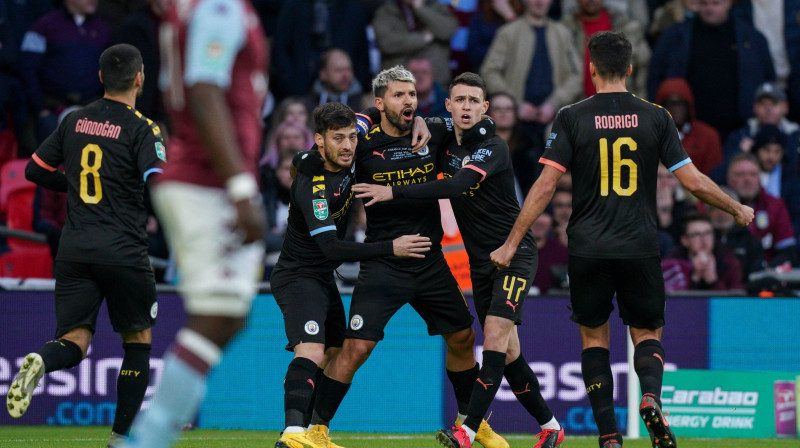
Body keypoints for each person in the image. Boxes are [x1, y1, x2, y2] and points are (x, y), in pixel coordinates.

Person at [490, 31, 753, 448]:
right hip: (640, 245)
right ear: (631, 68)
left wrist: (509, 243)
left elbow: (543, 186)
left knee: (594, 340)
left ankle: (610, 437)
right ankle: (650, 396)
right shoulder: (657, 117)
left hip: (589, 247)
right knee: (647, 334)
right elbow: (693, 182)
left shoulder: (572, 116)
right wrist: (736, 208)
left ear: (590, 69)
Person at [353, 72, 565, 448]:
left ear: (485, 109)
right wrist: (383, 119)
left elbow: (454, 186)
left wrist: (392, 192)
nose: (467, 108)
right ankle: (551, 425)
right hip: (482, 263)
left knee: (495, 337)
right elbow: (398, 111)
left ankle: (466, 429)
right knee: (510, 354)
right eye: (460, 101)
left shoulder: (492, 147)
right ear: (449, 107)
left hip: (513, 255)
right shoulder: (443, 136)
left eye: (474, 102)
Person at [305, 66, 507, 448]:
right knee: (357, 347)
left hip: (430, 262)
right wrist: (361, 122)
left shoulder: (435, 132)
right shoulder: (361, 144)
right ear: (380, 102)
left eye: (412, 94)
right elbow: (317, 159)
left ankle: (470, 423)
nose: (408, 101)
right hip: (384, 263)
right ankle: (316, 429)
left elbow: (485, 122)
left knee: (463, 337)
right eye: (399, 95)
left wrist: (431, 122)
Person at [119, 0, 269, 447]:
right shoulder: (217, 7)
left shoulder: (193, 11)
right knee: (219, 315)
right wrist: (241, 187)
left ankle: (149, 437)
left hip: (208, 175)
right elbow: (203, 87)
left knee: (229, 316)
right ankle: (148, 439)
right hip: (207, 179)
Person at [8, 43, 165, 448]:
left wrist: (76, 187)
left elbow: (34, 170)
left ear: (100, 78)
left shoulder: (73, 121)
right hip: (125, 251)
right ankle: (119, 439)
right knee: (138, 343)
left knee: (74, 341)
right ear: (139, 78)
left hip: (75, 250)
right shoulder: (143, 129)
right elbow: (157, 181)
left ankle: (42, 359)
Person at [271, 102, 432, 448]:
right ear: (319, 140)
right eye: (337, 139)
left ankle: (313, 434)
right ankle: (293, 434)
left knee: (331, 354)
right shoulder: (313, 186)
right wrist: (392, 247)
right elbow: (333, 249)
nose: (347, 146)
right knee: (311, 351)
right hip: (299, 276)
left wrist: (416, 118)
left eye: (349, 137)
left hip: (321, 277)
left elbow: (374, 115)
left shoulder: (350, 142)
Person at [725, 153, 797, 266]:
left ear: (759, 178)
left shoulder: (774, 205)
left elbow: (787, 250)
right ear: (729, 179)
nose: (747, 179)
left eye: (753, 174)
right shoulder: (718, 206)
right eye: (740, 175)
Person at [665, 211, 744, 290]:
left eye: (708, 233)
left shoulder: (729, 260)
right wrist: (695, 277)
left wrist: (713, 280)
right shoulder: (673, 264)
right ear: (684, 240)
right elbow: (672, 299)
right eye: (696, 234)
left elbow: (736, 298)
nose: (704, 240)